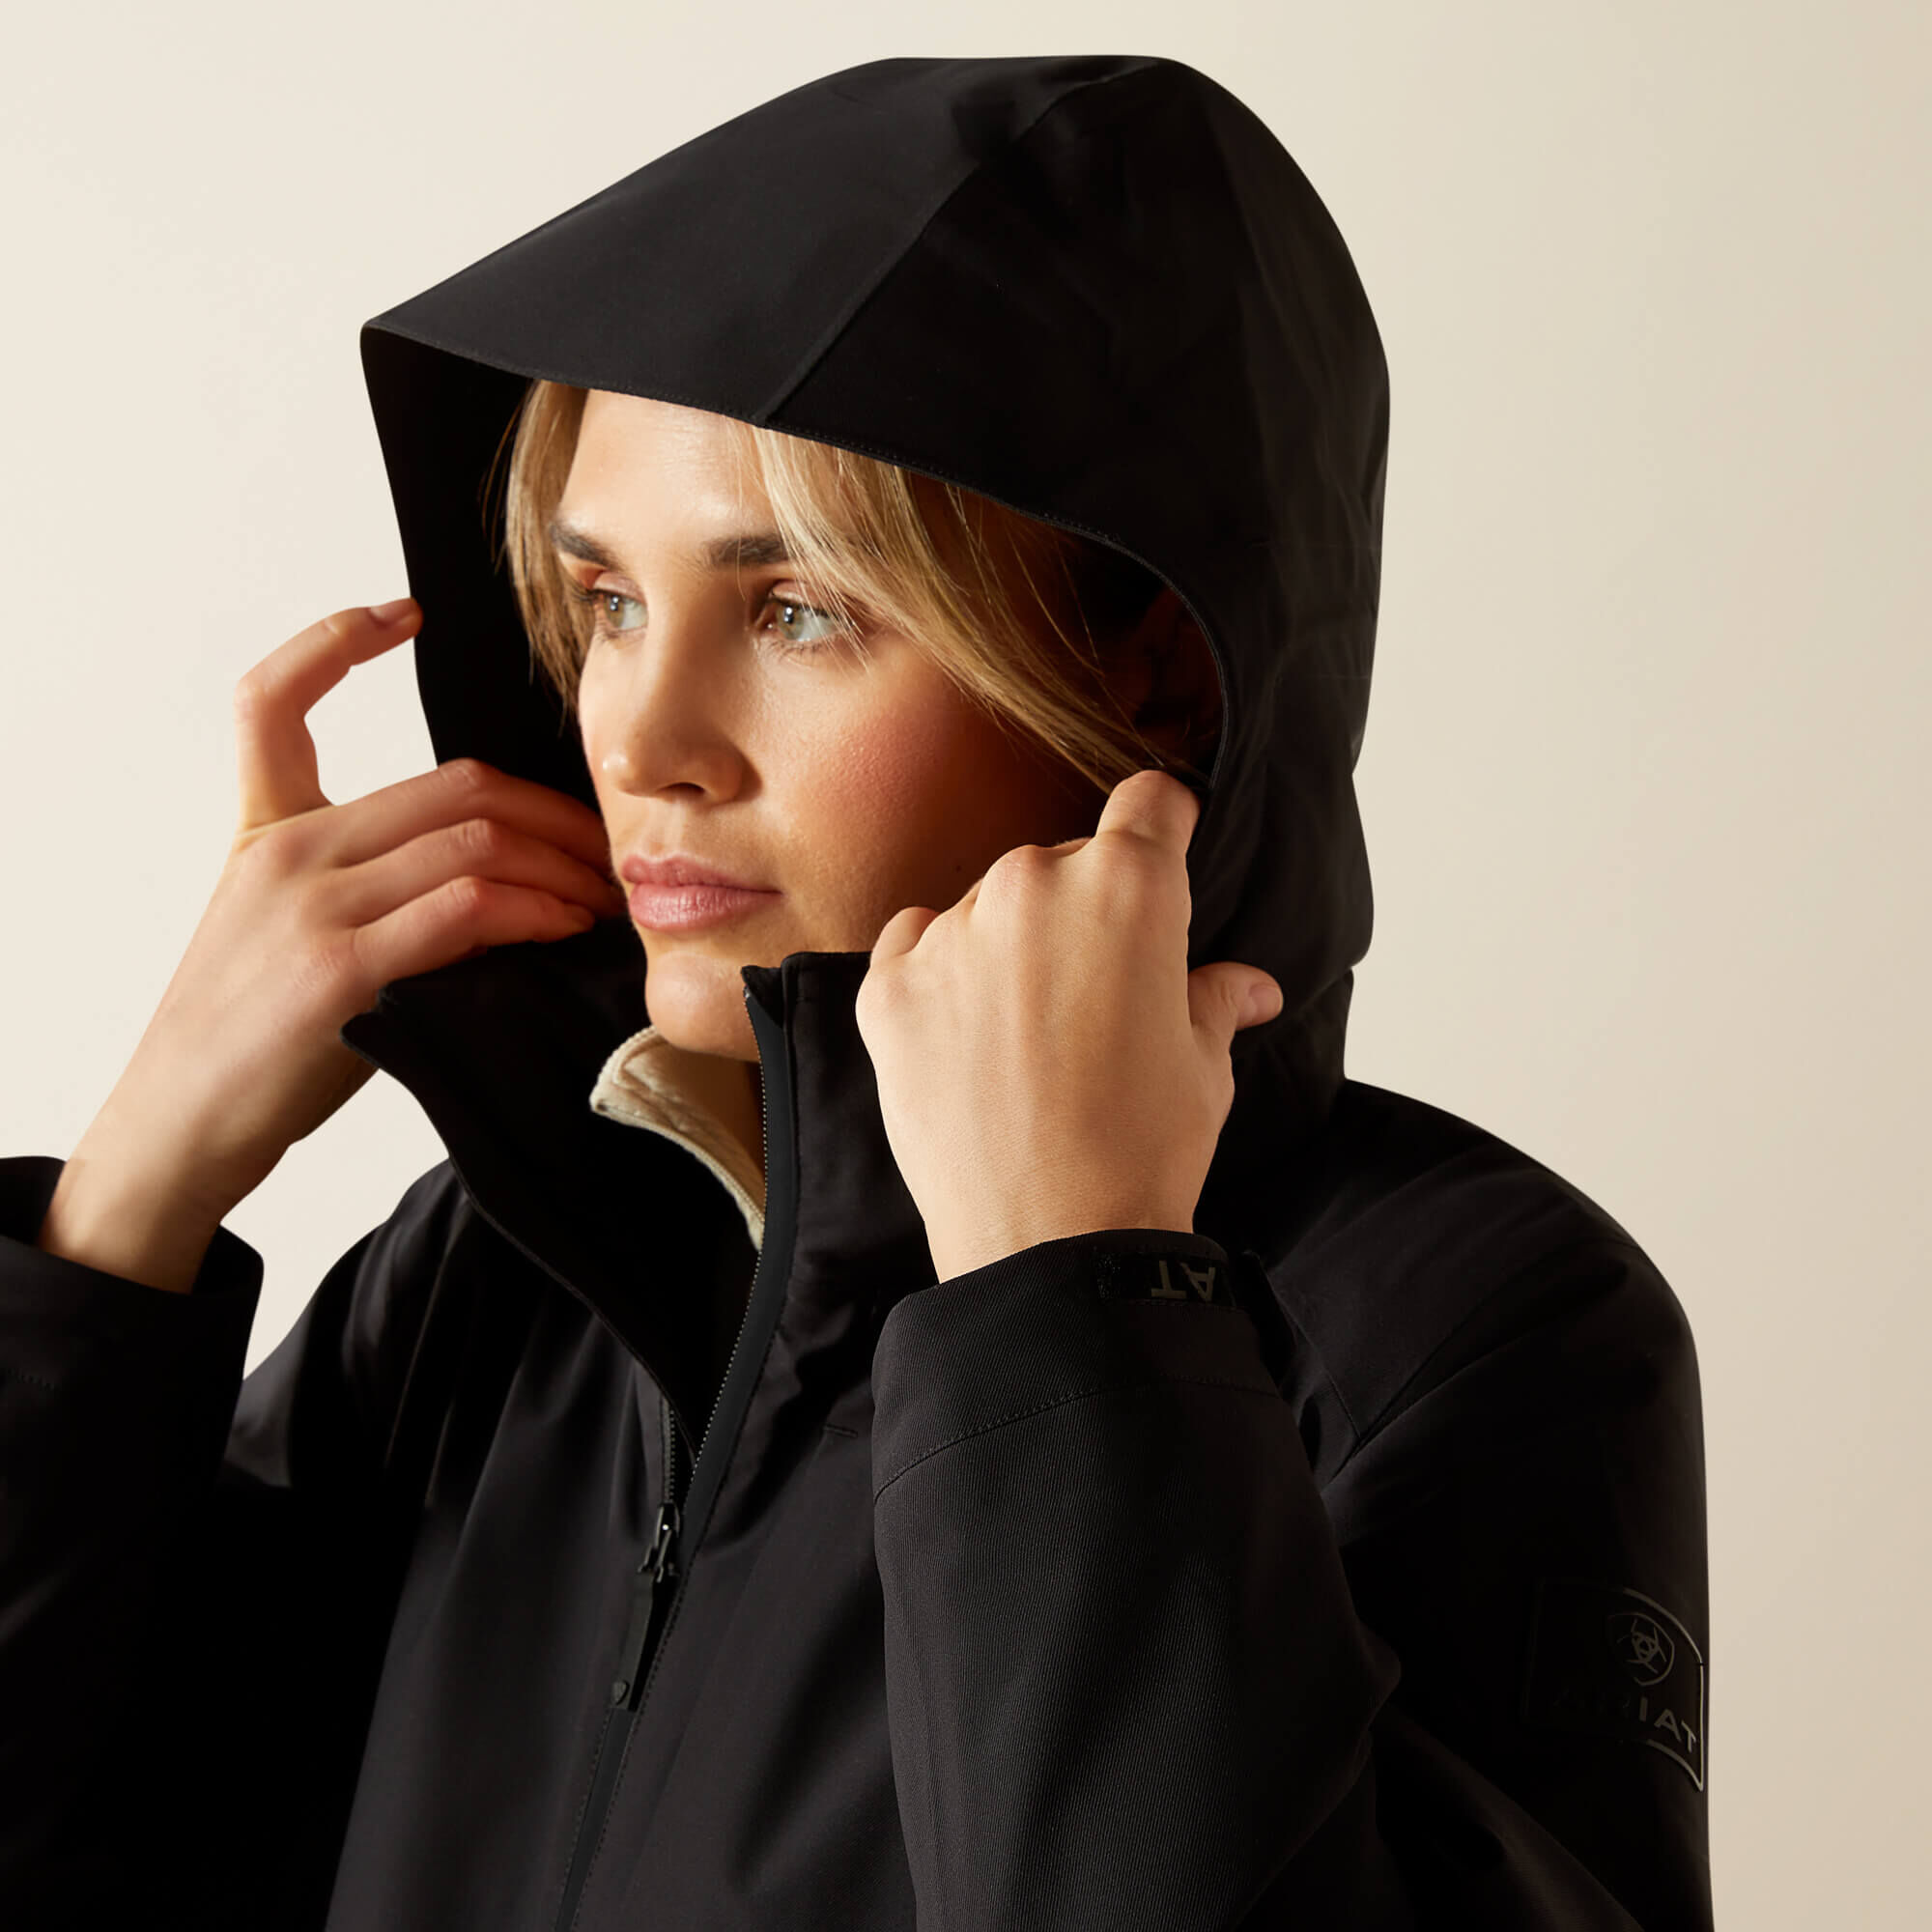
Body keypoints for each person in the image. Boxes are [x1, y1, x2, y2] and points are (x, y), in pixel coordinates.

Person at [0, 53, 1712, 1932]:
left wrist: (1075, 1307)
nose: (639, 740)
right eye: (606, 602)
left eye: (797, 610)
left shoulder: (1461, 1324)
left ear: (1152, 670)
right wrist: (125, 1217)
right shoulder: (504, 1282)